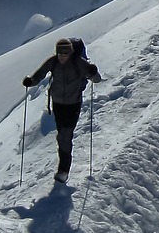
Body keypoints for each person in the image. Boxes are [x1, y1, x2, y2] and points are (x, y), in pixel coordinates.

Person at [22, 37, 102, 182]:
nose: (62, 57)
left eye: (65, 55)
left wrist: (93, 71)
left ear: (70, 53)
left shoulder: (79, 63)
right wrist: (31, 81)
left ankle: (63, 171)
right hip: (58, 105)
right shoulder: (52, 62)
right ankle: (63, 167)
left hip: (73, 105)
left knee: (65, 135)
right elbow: (40, 74)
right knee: (62, 135)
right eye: (60, 55)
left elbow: (96, 79)